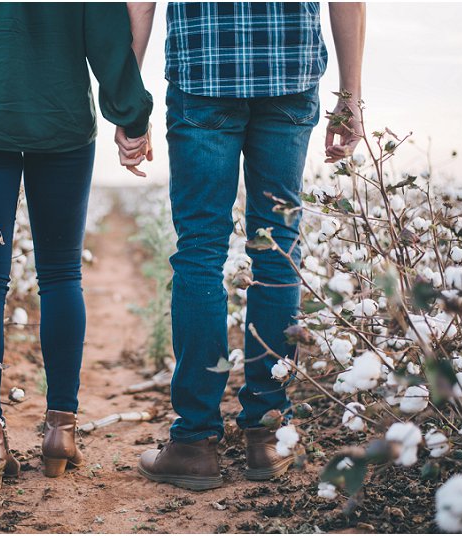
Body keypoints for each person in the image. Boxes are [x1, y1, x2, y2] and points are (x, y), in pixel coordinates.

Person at [120, 2, 365, 491]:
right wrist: (351, 95)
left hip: (204, 73)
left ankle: (193, 444)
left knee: (199, 254)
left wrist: (128, 101)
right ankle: (267, 432)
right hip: (288, 70)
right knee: (276, 252)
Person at [0, 2, 152, 491]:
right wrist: (132, 115)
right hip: (62, 123)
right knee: (62, 275)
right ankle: (60, 433)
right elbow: (106, 32)